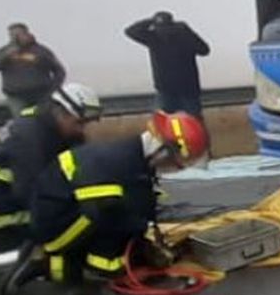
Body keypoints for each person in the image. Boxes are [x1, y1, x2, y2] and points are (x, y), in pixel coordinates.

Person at [21, 111, 209, 284]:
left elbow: (141, 206)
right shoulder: (122, 164)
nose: (175, 169)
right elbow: (102, 212)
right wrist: (142, 240)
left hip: (70, 208)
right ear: (163, 151)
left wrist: (149, 232)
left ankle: (66, 260)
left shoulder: (135, 158)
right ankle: (50, 263)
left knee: (124, 223)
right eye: (176, 163)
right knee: (113, 265)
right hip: (55, 220)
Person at [0, 83, 102, 259]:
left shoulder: (59, 129)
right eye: (79, 123)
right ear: (60, 112)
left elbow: (82, 163)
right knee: (48, 238)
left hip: (26, 187)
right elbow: (29, 190)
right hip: (5, 198)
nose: (81, 129)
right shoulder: (31, 137)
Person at [124, 11, 210, 116]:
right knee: (166, 126)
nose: (164, 32)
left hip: (186, 92)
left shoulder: (182, 37)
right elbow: (130, 31)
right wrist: (151, 20)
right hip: (167, 91)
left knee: (192, 127)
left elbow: (204, 50)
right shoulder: (154, 38)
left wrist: (187, 32)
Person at [0, 23, 67, 115]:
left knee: (44, 119)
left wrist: (53, 88)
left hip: (41, 95)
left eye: (19, 34)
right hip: (16, 96)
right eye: (12, 35)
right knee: (22, 122)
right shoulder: (4, 52)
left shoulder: (41, 51)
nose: (15, 37)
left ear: (27, 34)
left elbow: (59, 71)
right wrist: (7, 55)